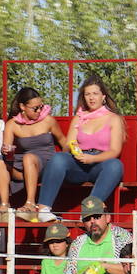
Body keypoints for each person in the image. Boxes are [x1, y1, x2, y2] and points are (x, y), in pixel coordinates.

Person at [35, 76, 126, 224]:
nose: (91, 98)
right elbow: (69, 144)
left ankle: (88, 211)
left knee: (116, 165)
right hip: (79, 163)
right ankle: (43, 209)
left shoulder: (114, 119)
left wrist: (92, 158)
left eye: (95, 94)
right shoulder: (79, 118)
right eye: (87, 94)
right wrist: (74, 149)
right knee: (59, 158)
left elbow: (115, 150)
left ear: (103, 96)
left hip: (100, 164)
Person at [0, 86, 65, 221]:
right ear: (22, 107)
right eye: (35, 108)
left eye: (41, 107)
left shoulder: (48, 121)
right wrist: (7, 150)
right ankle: (4, 206)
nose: (39, 111)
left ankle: (30, 204)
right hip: (22, 166)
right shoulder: (12, 124)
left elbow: (63, 142)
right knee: (0, 161)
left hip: (46, 165)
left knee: (29, 157)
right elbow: (8, 149)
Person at [56, 196, 133, 274]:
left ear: (107, 217)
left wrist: (103, 266)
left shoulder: (121, 237)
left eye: (97, 216)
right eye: (87, 219)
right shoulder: (78, 242)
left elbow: (132, 273)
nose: (92, 222)